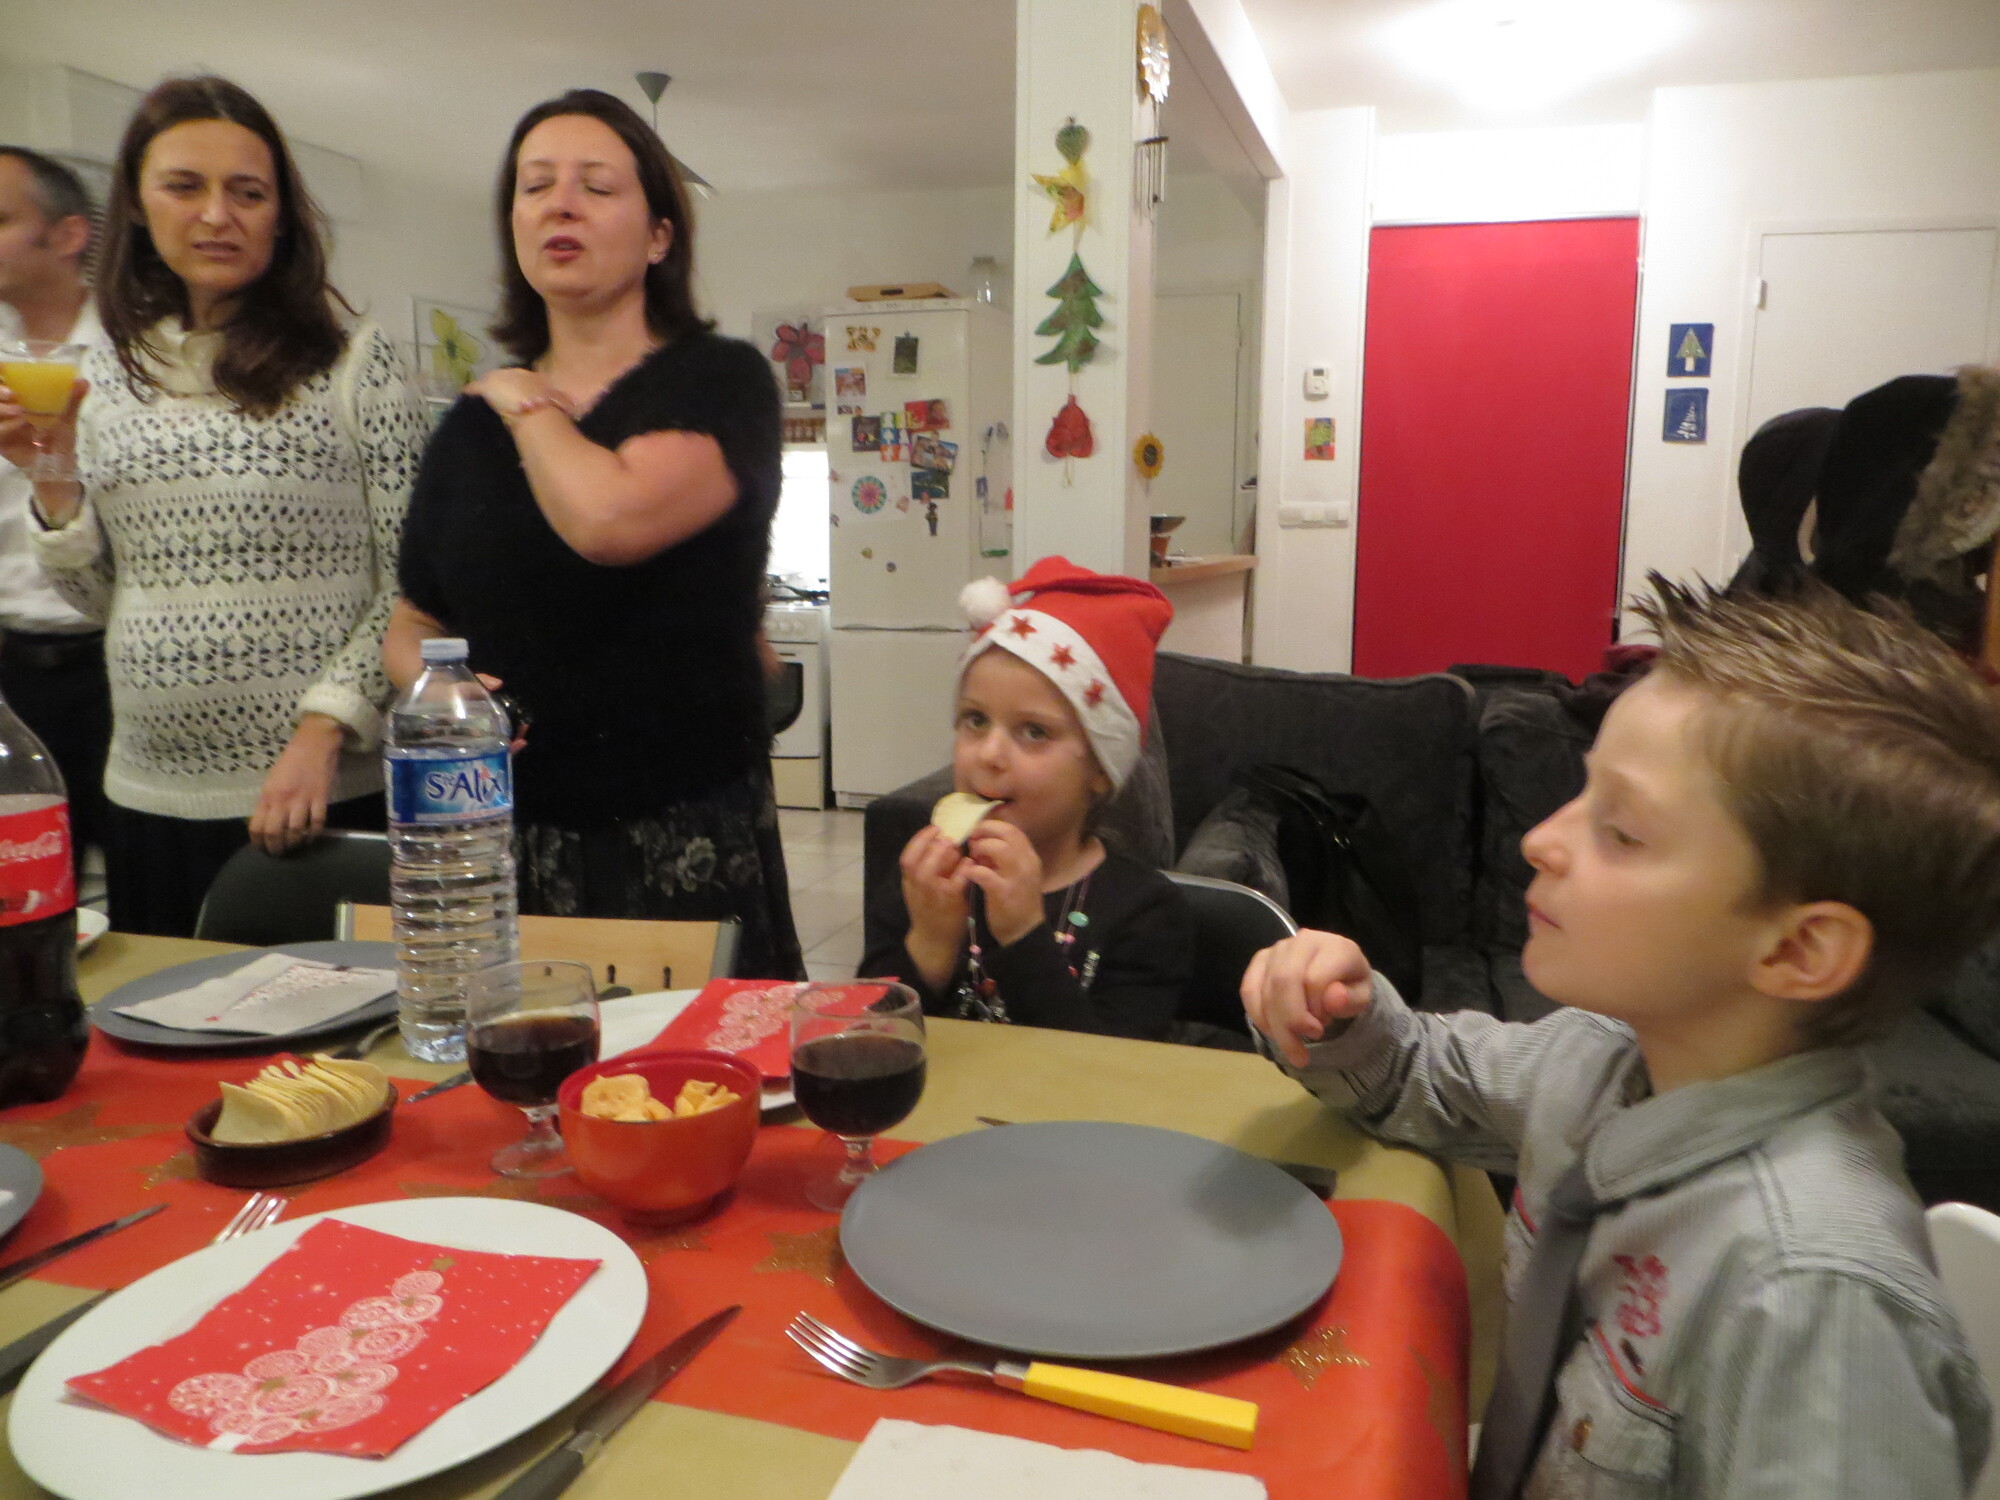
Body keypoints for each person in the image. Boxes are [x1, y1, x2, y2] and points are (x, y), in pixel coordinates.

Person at [1242, 577, 2000, 1498]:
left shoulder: (1813, 1299)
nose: (1541, 841)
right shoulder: (1599, 1059)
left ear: (1798, 950)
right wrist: (1343, 1013)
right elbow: (1420, 1074)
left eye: (1622, 832)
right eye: (1581, 793)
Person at [386, 89, 803, 978]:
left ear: (659, 235)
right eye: (536, 186)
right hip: (506, 834)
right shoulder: (466, 432)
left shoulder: (719, 381)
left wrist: (522, 400)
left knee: (691, 1059)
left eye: (596, 187)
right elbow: (414, 620)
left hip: (681, 823)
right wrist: (450, 698)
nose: (561, 205)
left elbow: (608, 519)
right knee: (516, 1054)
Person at [0, 77, 429, 936]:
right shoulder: (108, 372)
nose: (216, 215)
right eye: (183, 186)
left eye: (248, 192)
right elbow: (102, 599)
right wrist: (51, 476)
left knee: (323, 1024)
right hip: (147, 788)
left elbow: (412, 583)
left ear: (282, 215)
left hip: (314, 793)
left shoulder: (353, 363)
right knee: (160, 1013)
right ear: (139, 207)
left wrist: (324, 730)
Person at [860, 558, 1190, 1039]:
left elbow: (1109, 1072)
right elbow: (871, 1042)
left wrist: (1022, 937)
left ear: (1100, 769)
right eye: (975, 720)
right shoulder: (926, 882)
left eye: (1034, 731)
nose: (989, 754)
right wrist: (929, 942)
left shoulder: (1146, 912)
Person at [0, 148, 110, 872]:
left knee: (142, 892)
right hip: (13, 671)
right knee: (28, 881)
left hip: (118, 663)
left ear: (68, 235)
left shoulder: (136, 355)